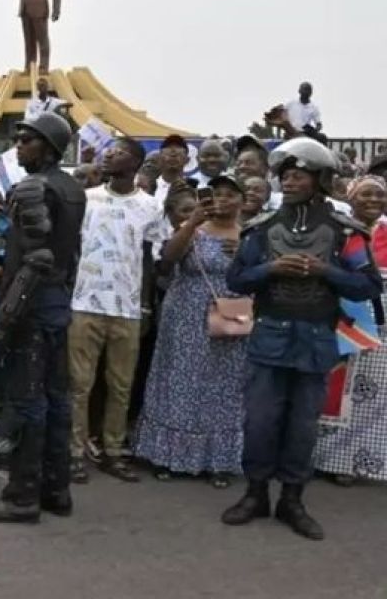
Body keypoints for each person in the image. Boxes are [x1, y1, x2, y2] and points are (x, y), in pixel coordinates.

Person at [222, 138, 382, 540]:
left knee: (302, 426)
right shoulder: (263, 228)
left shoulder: (344, 232)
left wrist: (324, 270)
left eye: (299, 175)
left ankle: (292, 499)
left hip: (316, 340)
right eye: (286, 176)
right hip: (269, 338)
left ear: (320, 179)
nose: (289, 182)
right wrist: (271, 268)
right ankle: (256, 493)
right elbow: (236, 279)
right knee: (259, 422)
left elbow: (367, 286)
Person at [0, 112, 85, 524]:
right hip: (57, 303)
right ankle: (56, 490)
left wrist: (4, 318)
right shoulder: (73, 187)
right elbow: (65, 255)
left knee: (28, 402)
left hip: (33, 308)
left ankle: (22, 496)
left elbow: (38, 259)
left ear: (49, 147)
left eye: (27, 140)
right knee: (56, 401)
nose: (18, 146)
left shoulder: (34, 187)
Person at [134, 175, 249, 487]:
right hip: (185, 316)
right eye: (217, 194)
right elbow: (167, 260)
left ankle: (217, 461)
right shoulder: (194, 231)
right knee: (178, 380)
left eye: (230, 194)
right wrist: (192, 223)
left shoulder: (251, 236)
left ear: (243, 201)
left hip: (231, 317)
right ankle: (166, 456)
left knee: (224, 386)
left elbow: (259, 275)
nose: (223, 200)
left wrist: (245, 253)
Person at [66, 138, 163, 483]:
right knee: (79, 384)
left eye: (118, 151)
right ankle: (74, 453)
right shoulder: (86, 199)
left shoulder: (150, 206)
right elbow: (73, 249)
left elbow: (151, 260)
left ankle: (112, 451)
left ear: (136, 162)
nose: (108, 154)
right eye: (108, 150)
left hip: (128, 307)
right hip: (84, 304)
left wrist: (147, 305)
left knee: (120, 386)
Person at [312, 175, 387, 485]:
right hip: (343, 312)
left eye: (379, 196)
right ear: (351, 198)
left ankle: (363, 461)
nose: (372, 200)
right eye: (365, 195)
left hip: (382, 319)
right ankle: (330, 460)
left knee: (374, 394)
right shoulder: (341, 231)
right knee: (336, 385)